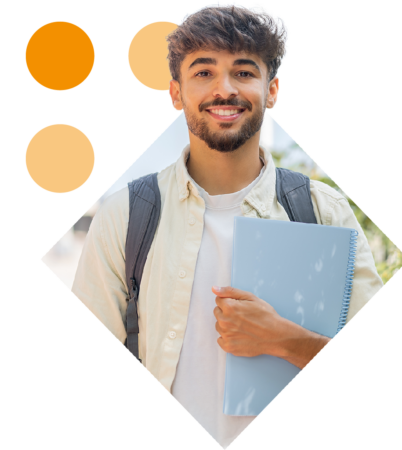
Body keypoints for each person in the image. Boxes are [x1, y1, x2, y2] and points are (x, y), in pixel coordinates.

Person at [72, 2, 383, 448]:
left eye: (243, 72)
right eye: (203, 72)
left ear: (271, 89)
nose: (224, 89)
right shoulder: (126, 214)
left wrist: (287, 341)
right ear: (176, 92)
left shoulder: (322, 210)